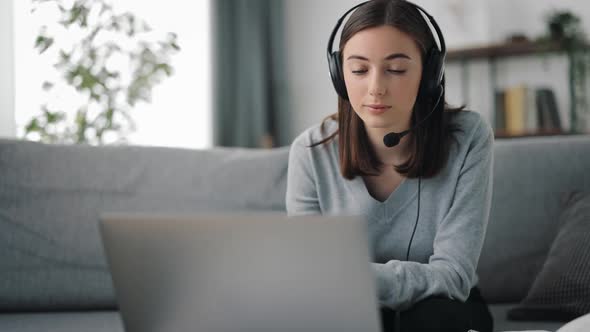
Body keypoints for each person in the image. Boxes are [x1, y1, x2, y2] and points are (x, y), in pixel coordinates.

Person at [285, 0, 495, 331]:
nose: (375, 88)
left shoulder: (468, 138)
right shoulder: (310, 152)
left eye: (396, 69)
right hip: (347, 307)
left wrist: (354, 277)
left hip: (445, 307)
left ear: (429, 74)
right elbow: (312, 278)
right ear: (339, 75)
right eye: (358, 70)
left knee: (433, 317)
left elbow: (453, 277)